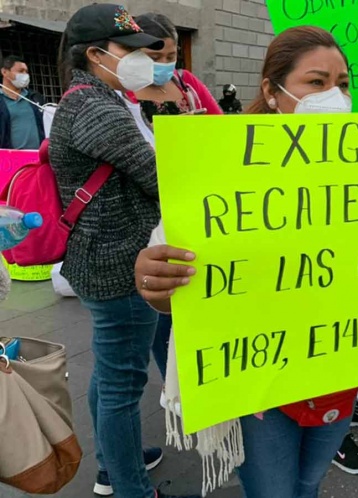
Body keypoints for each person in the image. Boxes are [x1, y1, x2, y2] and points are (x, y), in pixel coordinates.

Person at [134, 26, 358, 498]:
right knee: (274, 491)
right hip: (258, 381)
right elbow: (178, 282)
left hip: (338, 368)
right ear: (272, 90)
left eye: (343, 84)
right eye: (317, 83)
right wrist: (156, 284)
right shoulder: (218, 168)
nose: (335, 97)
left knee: (308, 482)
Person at [49, 4, 200, 498]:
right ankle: (131, 487)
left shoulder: (108, 98)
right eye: (129, 50)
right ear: (95, 55)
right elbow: (164, 179)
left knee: (111, 373)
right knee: (121, 384)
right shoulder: (92, 105)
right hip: (118, 264)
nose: (144, 60)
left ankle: (116, 466)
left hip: (107, 256)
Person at [131, 12, 222, 414]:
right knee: (158, 309)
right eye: (156, 53)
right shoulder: (121, 97)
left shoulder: (187, 86)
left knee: (191, 296)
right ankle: (175, 384)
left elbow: (224, 135)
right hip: (144, 219)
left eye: (171, 53)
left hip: (191, 214)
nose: (166, 61)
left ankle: (201, 376)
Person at [0, 55, 45, 149]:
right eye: (20, 71)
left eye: (26, 72)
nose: (25, 75)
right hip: (9, 158)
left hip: (37, 157)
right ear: (4, 72)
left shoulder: (34, 98)